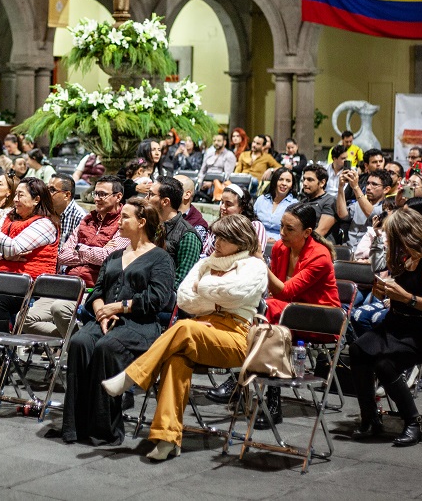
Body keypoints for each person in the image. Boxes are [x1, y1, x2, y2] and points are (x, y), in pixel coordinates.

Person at [103, 214, 268, 461]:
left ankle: (133, 376)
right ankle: (167, 439)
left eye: (224, 237)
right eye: (216, 236)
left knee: (184, 327)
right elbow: (183, 298)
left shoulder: (254, 266)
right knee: (175, 360)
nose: (216, 242)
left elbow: (235, 292)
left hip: (237, 335)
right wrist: (213, 296)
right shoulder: (208, 262)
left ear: (239, 240)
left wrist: (203, 289)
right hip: (201, 330)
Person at [59, 197, 175, 445]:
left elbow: (156, 299)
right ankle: (74, 427)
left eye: (125, 217)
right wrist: (102, 311)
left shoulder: (160, 258)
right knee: (80, 342)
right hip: (106, 320)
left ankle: (104, 429)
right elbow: (97, 292)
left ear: (141, 222)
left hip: (140, 325)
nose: (119, 221)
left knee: (106, 347)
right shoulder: (114, 256)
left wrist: (120, 307)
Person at [350, 208, 422, 447]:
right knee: (358, 351)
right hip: (396, 323)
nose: (390, 241)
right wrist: (384, 292)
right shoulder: (405, 258)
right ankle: (370, 418)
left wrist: (406, 297)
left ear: (408, 234)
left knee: (385, 364)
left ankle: (413, 422)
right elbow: (397, 293)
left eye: (393, 236)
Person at [251, 202, 339, 426]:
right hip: (290, 312)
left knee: (266, 311)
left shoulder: (320, 256)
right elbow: (278, 292)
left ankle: (265, 393)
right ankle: (264, 391)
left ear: (307, 232)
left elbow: (285, 291)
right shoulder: (281, 248)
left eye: (289, 229)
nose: (282, 233)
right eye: (281, 226)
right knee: (261, 310)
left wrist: (262, 263)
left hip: (322, 319)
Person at [33, 176, 124, 338]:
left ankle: (77, 345)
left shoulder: (124, 222)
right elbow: (62, 256)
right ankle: (76, 342)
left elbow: (107, 257)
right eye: (95, 193)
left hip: (93, 290)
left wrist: (79, 248)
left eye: (102, 194)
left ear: (118, 197)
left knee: (59, 308)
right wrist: (91, 251)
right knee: (26, 318)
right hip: (68, 284)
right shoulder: (87, 220)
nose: (97, 198)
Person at [0, 177, 59, 335]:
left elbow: (13, 247)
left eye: (21, 195)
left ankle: (1, 354)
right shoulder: (9, 216)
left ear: (37, 199)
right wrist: (5, 256)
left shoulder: (45, 224)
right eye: (15, 194)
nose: (15, 200)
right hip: (0, 278)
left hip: (28, 284)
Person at [147, 177, 203, 286]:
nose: (146, 198)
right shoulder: (148, 225)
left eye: (151, 194)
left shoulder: (188, 236)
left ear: (165, 201)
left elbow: (182, 281)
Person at [201, 184, 266, 256]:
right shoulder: (215, 227)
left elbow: (256, 256)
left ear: (242, 207)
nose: (222, 207)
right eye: (222, 202)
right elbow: (204, 253)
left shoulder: (255, 227)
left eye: (228, 204)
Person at [336, 168, 389, 249]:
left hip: (368, 252)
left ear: (386, 189)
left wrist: (356, 187)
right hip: (348, 249)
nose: (368, 187)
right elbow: (342, 215)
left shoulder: (387, 208)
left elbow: (372, 214)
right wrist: (340, 186)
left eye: (374, 184)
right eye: (367, 183)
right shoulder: (359, 203)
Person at [254, 167, 297, 240]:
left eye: (288, 181)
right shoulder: (261, 200)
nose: (284, 183)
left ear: (292, 185)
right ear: (274, 181)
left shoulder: (295, 204)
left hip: (282, 243)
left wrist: (277, 240)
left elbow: (294, 232)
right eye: (280, 179)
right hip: (257, 241)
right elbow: (252, 223)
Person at [49, 173, 88, 250]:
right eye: (47, 189)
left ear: (67, 195)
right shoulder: (46, 211)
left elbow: (80, 252)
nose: (47, 194)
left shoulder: (81, 217)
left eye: (52, 190)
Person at [299, 164, 337, 238]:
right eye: (304, 179)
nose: (304, 183)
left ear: (322, 183)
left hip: (319, 245)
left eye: (310, 180)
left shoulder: (330, 201)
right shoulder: (303, 201)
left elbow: (321, 231)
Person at [196, 132, 236, 200]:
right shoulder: (209, 154)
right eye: (214, 141)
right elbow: (202, 171)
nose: (216, 142)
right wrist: (200, 181)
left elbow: (227, 176)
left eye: (219, 141)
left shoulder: (229, 155)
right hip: (204, 183)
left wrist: (212, 183)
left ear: (225, 142)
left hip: (219, 185)